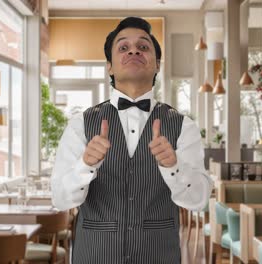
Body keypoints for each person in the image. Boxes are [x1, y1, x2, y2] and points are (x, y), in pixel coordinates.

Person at [51, 17, 213, 264]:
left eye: (143, 46)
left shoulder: (184, 126)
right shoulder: (80, 124)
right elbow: (61, 199)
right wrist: (84, 166)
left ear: (157, 65)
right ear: (110, 67)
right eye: (123, 47)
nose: (134, 50)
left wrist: (174, 167)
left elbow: (199, 200)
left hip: (159, 255)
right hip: (95, 254)